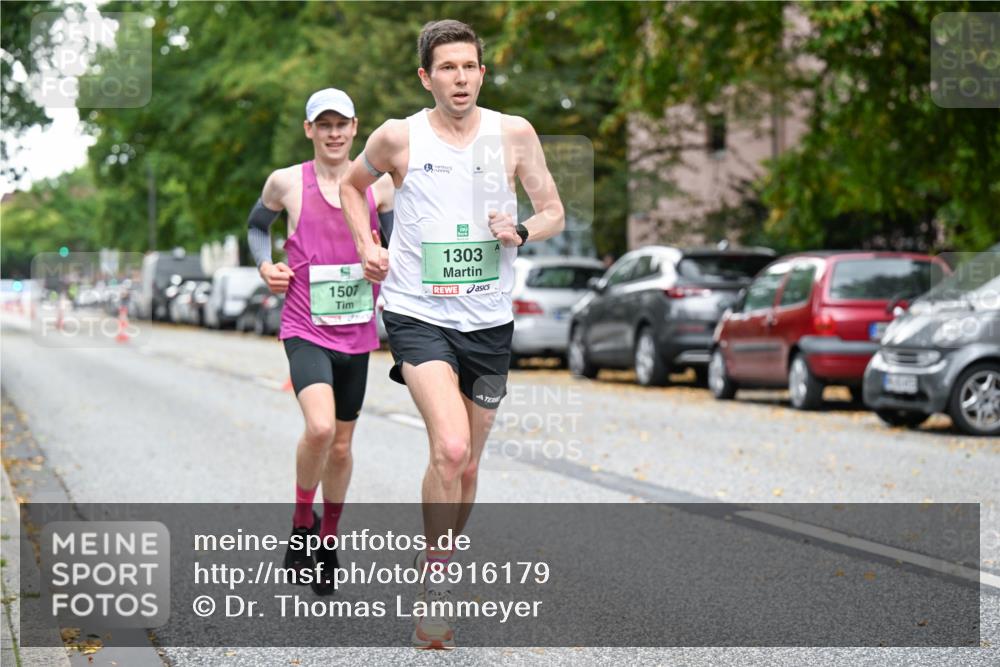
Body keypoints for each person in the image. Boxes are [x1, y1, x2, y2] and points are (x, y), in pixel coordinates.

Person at [341, 20, 565, 648]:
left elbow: (553, 211)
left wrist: (519, 231)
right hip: (418, 313)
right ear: (426, 76)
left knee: (469, 468)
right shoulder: (397, 138)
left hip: (490, 321)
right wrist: (367, 244)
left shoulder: (514, 134)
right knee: (451, 449)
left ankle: (436, 553)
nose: (460, 78)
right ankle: (436, 585)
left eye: (469, 67)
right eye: (447, 68)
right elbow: (352, 190)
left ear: (482, 74)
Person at [246, 88, 394, 596]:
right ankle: (301, 520)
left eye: (342, 124)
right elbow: (255, 226)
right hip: (304, 327)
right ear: (309, 130)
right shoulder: (286, 182)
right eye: (323, 124)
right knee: (320, 428)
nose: (333, 133)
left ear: (356, 128)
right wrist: (266, 265)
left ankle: (327, 539)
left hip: (357, 333)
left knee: (344, 445)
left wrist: (385, 260)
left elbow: (394, 249)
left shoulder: (382, 188)